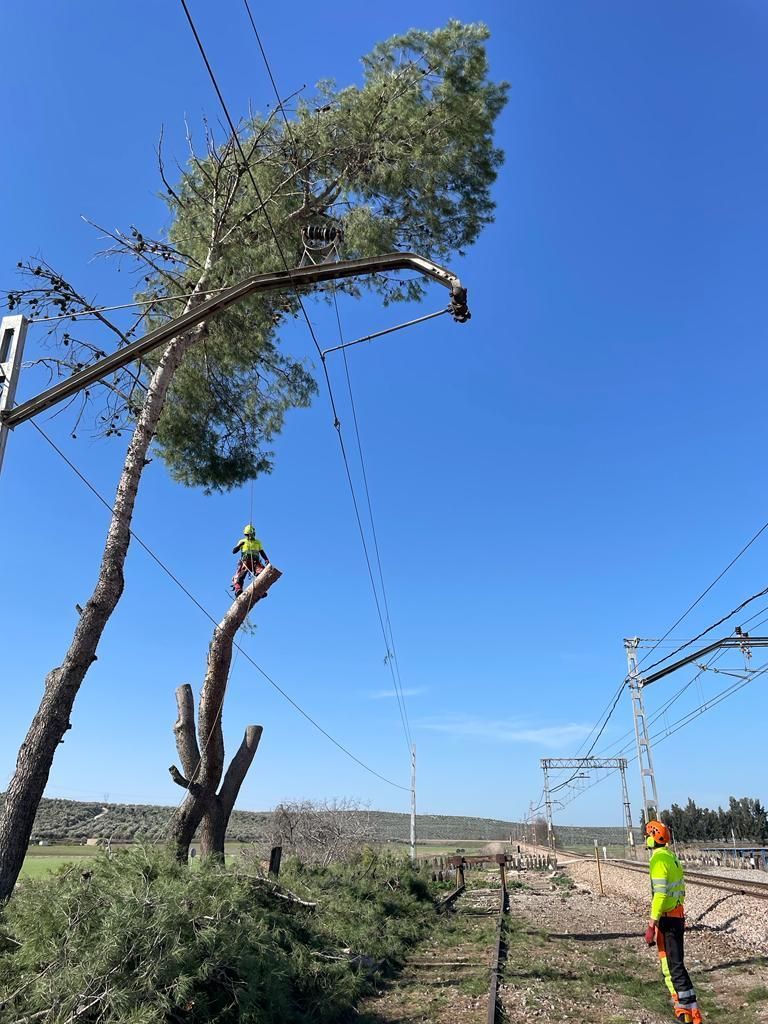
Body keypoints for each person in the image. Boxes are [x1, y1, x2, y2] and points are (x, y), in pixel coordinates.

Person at [644, 819, 703, 1024]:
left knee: (672, 966)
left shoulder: (658, 861)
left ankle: (687, 1013)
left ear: (652, 839)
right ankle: (688, 1009)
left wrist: (651, 923)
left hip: (667, 919)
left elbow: (659, 895)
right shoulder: (671, 857)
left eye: (647, 836)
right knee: (675, 965)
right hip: (677, 916)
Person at [231, 524, 269, 598]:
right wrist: (239, 546)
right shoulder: (242, 541)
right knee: (239, 576)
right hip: (245, 562)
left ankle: (260, 590)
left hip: (255, 562)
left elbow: (261, 552)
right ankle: (238, 590)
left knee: (261, 573)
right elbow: (234, 551)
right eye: (248, 535)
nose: (249, 536)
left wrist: (266, 559)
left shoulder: (257, 542)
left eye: (250, 534)